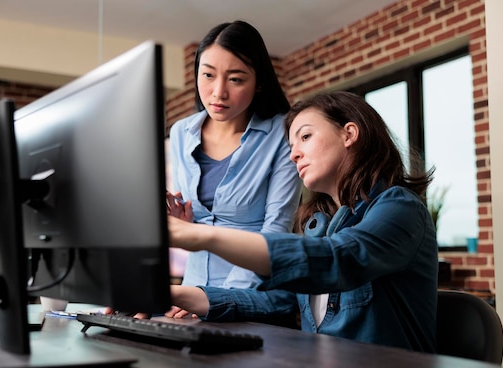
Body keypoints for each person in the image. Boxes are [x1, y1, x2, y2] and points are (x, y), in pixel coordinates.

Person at [166, 91, 439, 353]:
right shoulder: (320, 227)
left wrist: (201, 235)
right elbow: (276, 300)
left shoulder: (400, 207)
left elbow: (338, 259)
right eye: (292, 146)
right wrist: (177, 294)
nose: (293, 155)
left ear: (350, 134)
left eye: (305, 136)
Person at [167, 21, 302, 294]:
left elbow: (276, 230)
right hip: (192, 291)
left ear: (259, 83)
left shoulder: (284, 132)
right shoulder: (182, 132)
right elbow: (201, 226)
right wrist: (185, 225)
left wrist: (218, 299)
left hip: (254, 294)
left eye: (236, 79)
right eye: (207, 75)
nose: (218, 92)